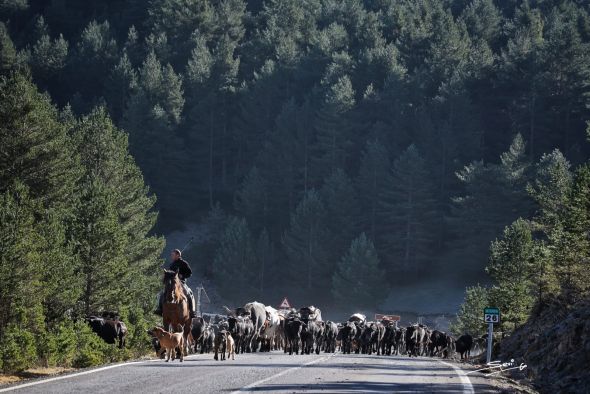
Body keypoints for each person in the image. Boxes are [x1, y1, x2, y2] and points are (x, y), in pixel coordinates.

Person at [155, 249, 197, 318]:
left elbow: (190, 273)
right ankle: (160, 309)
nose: (171, 256)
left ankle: (192, 311)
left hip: (181, 282)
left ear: (178, 255)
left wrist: (182, 275)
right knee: (163, 292)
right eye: (172, 255)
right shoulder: (172, 264)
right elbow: (169, 273)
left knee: (189, 293)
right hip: (172, 282)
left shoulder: (184, 263)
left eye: (173, 255)